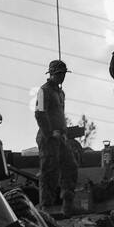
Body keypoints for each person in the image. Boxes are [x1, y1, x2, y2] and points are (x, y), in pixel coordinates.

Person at [33, 59, 79, 213]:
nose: (62, 76)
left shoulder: (60, 93)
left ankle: (68, 204)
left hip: (61, 137)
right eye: (59, 73)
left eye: (63, 73)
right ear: (51, 74)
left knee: (70, 166)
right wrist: (49, 132)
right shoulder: (43, 91)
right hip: (48, 138)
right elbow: (39, 113)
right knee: (48, 172)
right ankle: (46, 208)